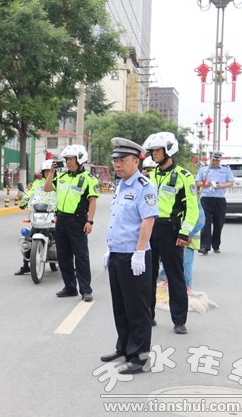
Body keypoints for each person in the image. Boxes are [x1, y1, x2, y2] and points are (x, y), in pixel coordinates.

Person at [101, 137, 157, 375]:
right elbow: (119, 221)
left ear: (136, 161)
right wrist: (110, 248)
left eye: (122, 160)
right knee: (121, 306)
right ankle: (124, 347)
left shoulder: (144, 186)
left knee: (137, 308)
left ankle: (140, 357)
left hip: (134, 256)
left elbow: (148, 221)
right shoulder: (121, 185)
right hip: (117, 254)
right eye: (115, 160)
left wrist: (139, 252)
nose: (117, 164)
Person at [142, 132, 199, 335]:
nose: (153, 154)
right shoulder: (151, 176)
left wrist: (184, 233)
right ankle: (148, 315)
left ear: (168, 150)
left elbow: (192, 208)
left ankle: (179, 320)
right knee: (148, 275)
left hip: (171, 230)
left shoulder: (184, 176)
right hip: (151, 228)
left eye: (157, 150)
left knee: (175, 276)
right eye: (152, 151)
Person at [44, 144, 99, 302]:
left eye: (71, 159)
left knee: (81, 257)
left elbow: (92, 201)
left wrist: (90, 221)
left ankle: (86, 290)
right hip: (61, 220)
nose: (68, 162)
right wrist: (51, 173)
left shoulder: (89, 179)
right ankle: (70, 287)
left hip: (78, 220)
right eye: (66, 159)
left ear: (80, 159)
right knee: (63, 256)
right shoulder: (62, 177)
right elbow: (47, 188)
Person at [14, 159, 58, 275]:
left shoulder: (58, 182)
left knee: (63, 237)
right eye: (46, 171)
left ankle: (70, 264)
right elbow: (31, 193)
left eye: (50, 171)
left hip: (53, 213)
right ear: (43, 173)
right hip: (39, 212)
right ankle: (26, 265)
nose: (48, 173)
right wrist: (24, 200)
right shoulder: (37, 183)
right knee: (28, 238)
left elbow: (62, 196)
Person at [195, 150, 235, 254]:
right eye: (213, 160)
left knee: (218, 223)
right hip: (206, 198)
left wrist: (221, 186)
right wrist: (206, 184)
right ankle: (204, 246)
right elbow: (197, 182)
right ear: (210, 159)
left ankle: (216, 245)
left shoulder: (225, 169)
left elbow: (231, 182)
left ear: (220, 160)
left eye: (217, 160)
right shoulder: (204, 169)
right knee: (205, 223)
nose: (215, 162)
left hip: (219, 199)